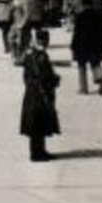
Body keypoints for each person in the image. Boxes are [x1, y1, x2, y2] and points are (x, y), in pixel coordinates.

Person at [20, 28, 61, 162]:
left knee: (37, 125)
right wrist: (55, 80)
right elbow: (43, 76)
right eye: (45, 40)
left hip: (31, 93)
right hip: (40, 93)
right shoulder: (41, 55)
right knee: (38, 124)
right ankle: (37, 154)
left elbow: (26, 76)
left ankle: (40, 151)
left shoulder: (29, 54)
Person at [71, 0, 102, 95]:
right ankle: (100, 80)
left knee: (81, 66)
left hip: (82, 45)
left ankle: (83, 88)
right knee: (95, 64)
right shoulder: (98, 16)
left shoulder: (80, 16)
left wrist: (73, 46)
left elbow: (76, 33)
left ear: (83, 4)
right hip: (95, 44)